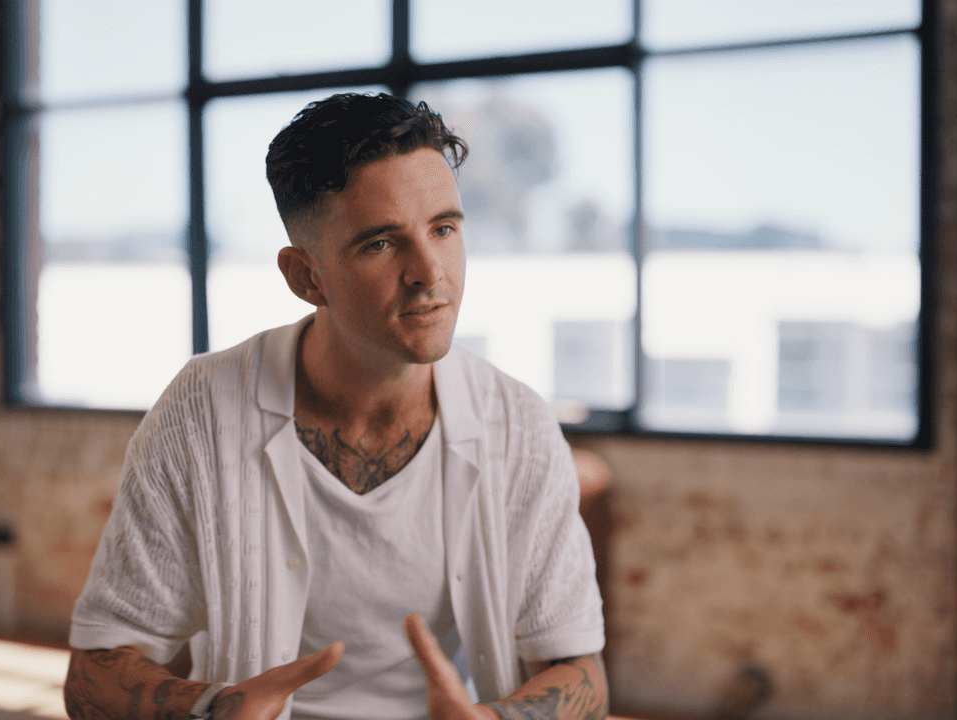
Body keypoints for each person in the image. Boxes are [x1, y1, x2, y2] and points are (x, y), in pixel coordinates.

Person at [63, 93, 607, 720]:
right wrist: (210, 709)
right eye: (381, 243)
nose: (431, 272)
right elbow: (89, 681)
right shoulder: (202, 410)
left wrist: (494, 718)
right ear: (304, 277)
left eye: (445, 228)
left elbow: (581, 674)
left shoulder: (518, 423)